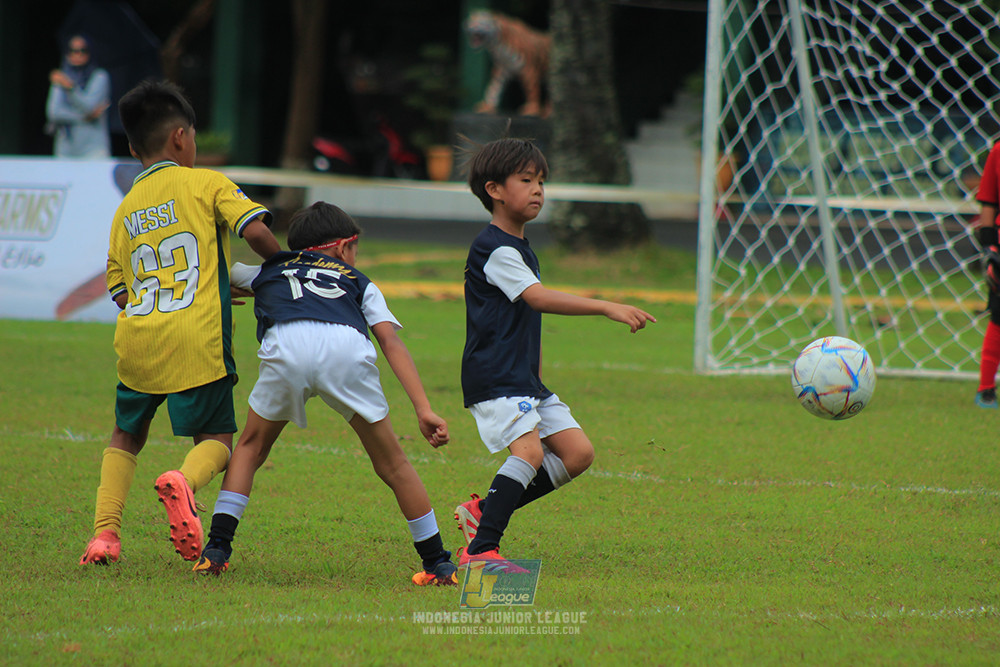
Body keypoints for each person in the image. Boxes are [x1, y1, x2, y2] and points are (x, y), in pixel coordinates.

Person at [193, 202, 459, 586]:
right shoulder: (359, 281)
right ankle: (438, 564)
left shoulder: (270, 268)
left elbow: (214, 276)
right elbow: (390, 342)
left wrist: (232, 291)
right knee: (394, 464)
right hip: (345, 350)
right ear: (341, 248)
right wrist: (423, 409)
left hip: (288, 345)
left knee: (250, 448)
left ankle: (216, 550)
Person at [79, 80, 281, 565]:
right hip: (198, 339)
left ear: (133, 147)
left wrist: (194, 288)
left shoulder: (125, 207)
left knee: (125, 435)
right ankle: (184, 483)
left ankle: (104, 535)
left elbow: (119, 286)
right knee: (217, 440)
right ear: (180, 138)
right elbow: (254, 230)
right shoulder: (206, 182)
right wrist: (288, 267)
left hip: (138, 339)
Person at [452, 138, 656, 571]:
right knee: (527, 453)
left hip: (521, 377)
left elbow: (526, 320)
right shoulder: (496, 247)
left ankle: (482, 514)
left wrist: (536, 376)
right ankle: (480, 549)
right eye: (526, 180)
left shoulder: (520, 248)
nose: (538, 190)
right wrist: (605, 305)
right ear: (494, 189)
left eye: (541, 181)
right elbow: (538, 299)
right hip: (496, 375)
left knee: (577, 453)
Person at [46, 34, 112, 158]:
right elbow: (53, 113)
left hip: (93, 149)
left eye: (83, 50)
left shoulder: (100, 76)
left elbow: (89, 107)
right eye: (73, 51)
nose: (78, 54)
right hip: (65, 148)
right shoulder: (61, 77)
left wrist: (71, 89)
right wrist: (82, 118)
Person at [976, 141, 1000, 409]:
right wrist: (989, 248)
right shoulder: (998, 151)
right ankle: (986, 388)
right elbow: (989, 200)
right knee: (999, 315)